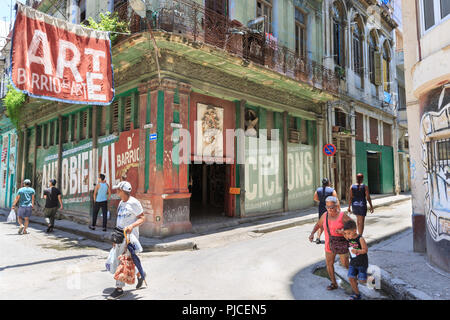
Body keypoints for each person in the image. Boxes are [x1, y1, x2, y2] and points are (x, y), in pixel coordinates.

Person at [107, 181, 146, 300]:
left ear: (123, 191)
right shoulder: (121, 203)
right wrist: (115, 238)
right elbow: (119, 221)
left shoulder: (134, 203)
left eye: (118, 190)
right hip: (119, 236)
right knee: (127, 261)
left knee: (122, 261)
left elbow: (142, 218)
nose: (116, 191)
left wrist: (132, 226)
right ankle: (141, 274)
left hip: (130, 238)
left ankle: (119, 289)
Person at [309, 196, 352, 290]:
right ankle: (334, 283)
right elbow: (318, 225)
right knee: (329, 264)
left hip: (341, 243)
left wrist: (343, 231)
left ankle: (354, 280)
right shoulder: (325, 215)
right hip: (330, 244)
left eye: (332, 207)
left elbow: (352, 225)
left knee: (345, 264)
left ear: (336, 206)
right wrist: (312, 233)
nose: (330, 209)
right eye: (327, 207)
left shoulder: (342, 215)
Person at [343, 219, 369, 300]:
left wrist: (357, 251)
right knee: (351, 278)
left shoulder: (360, 239)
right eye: (346, 234)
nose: (347, 235)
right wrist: (341, 232)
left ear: (355, 230)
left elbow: (365, 250)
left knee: (362, 281)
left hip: (362, 263)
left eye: (349, 233)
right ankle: (357, 295)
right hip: (353, 262)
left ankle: (371, 278)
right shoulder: (349, 237)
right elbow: (344, 234)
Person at [313, 178, 339, 244]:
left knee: (321, 222)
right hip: (330, 208)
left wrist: (322, 201)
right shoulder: (332, 190)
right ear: (328, 183)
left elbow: (315, 198)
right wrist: (338, 208)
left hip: (321, 207)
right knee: (331, 222)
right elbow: (336, 200)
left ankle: (318, 238)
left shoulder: (318, 190)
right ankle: (331, 238)